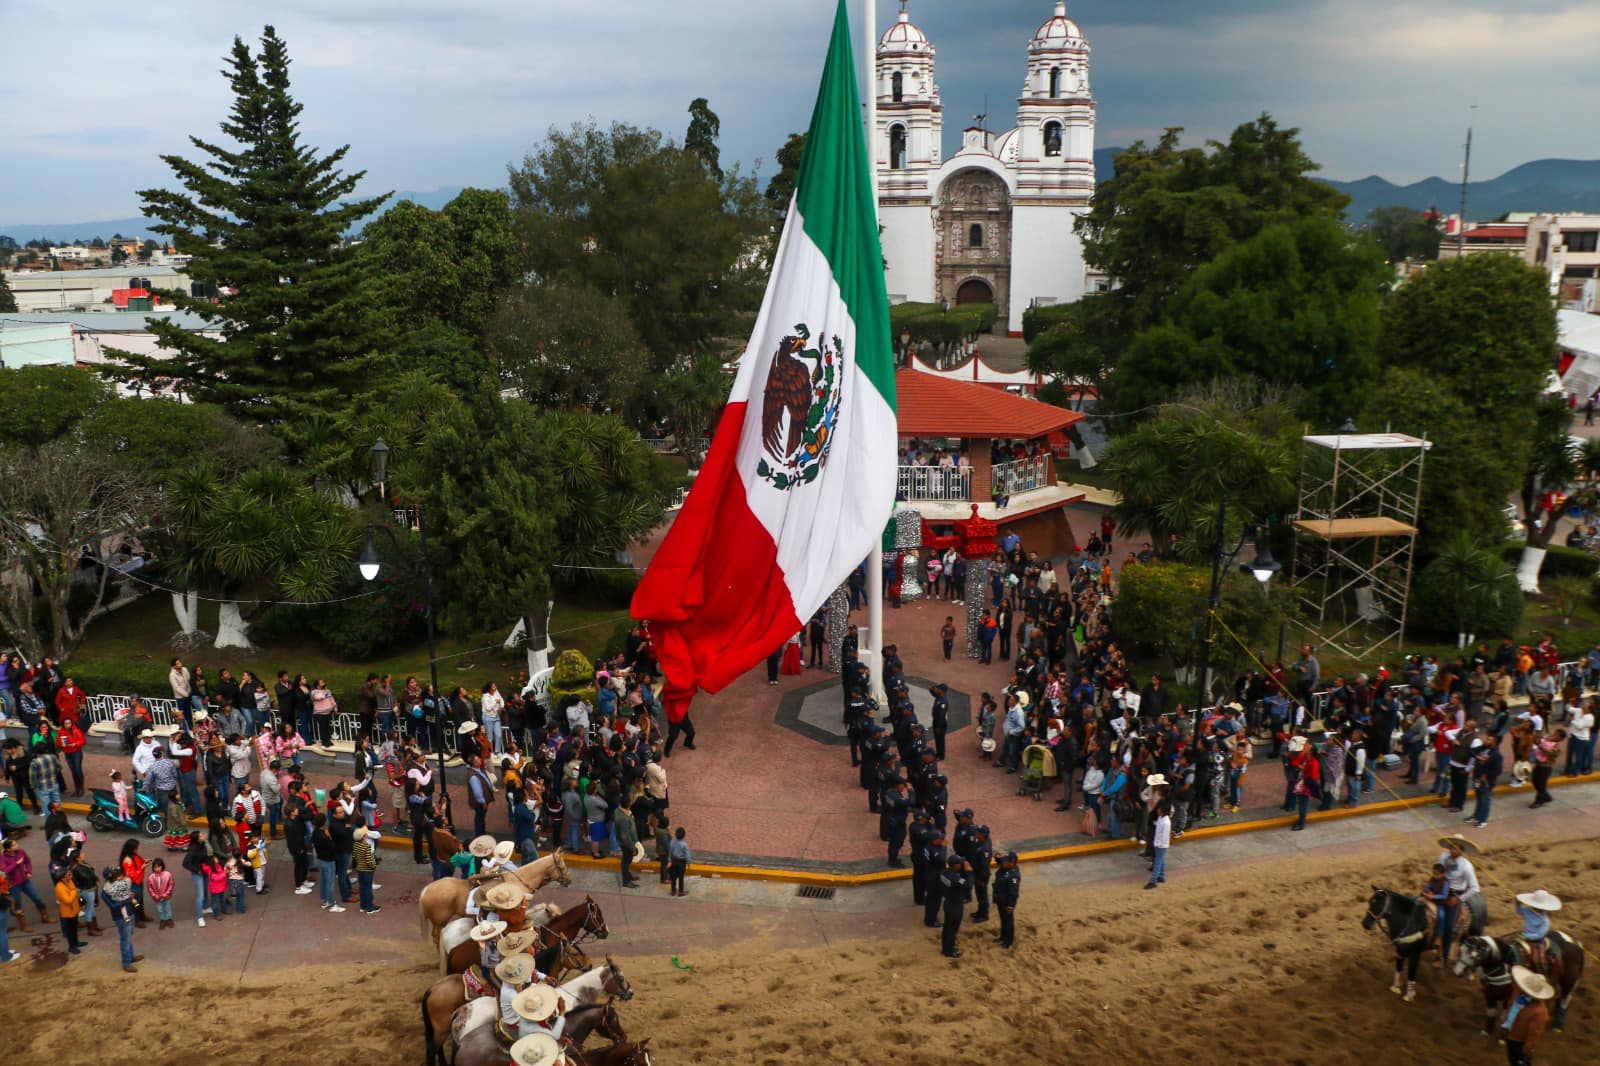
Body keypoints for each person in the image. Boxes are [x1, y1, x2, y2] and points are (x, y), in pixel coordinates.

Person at [1503, 964, 1556, 1066]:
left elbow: (1533, 1037)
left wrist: (1525, 1053)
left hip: (1519, 1044)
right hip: (1511, 1038)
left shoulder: (1540, 1013)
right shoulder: (1518, 995)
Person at [101, 865, 143, 972]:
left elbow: (131, 891)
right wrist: (124, 901)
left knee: (129, 935)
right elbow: (113, 905)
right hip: (121, 917)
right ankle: (126, 963)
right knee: (125, 938)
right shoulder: (106, 891)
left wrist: (131, 895)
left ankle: (131, 956)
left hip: (130, 912)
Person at [938, 854, 970, 959]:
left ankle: (945, 947)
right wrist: (969, 872)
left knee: (947, 927)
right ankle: (949, 951)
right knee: (952, 929)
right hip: (955, 906)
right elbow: (969, 885)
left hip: (947, 902)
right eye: (959, 863)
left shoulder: (944, 872)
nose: (961, 865)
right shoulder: (956, 878)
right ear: (955, 865)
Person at [992, 850, 1020, 949]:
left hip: (1006, 901)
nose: (1003, 862)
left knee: (1008, 921)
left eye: (1005, 860)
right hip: (1000, 898)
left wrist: (1011, 905)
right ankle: (1003, 937)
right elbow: (999, 860)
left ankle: (1008, 941)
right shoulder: (1005, 868)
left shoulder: (1014, 876)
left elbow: (1014, 893)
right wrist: (997, 856)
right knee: (1003, 919)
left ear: (1011, 862)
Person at [53, 866, 83, 955]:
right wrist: (74, 891)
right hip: (68, 912)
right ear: (62, 877)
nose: (70, 875)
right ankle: (72, 946)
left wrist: (73, 892)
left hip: (74, 909)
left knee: (74, 927)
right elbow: (68, 900)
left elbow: (73, 892)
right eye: (67, 874)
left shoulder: (69, 881)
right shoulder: (59, 887)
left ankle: (76, 942)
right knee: (70, 930)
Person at [1144, 799, 1172, 889]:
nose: (1157, 810)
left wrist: (1158, 845)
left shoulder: (1166, 822)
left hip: (1161, 845)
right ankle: (1162, 876)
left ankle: (1153, 881)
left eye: (1159, 809)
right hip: (1158, 843)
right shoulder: (1161, 818)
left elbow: (1164, 836)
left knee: (1157, 862)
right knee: (1161, 860)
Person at [147, 858, 174, 929]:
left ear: (162, 866)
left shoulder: (168, 874)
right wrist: (154, 895)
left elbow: (171, 884)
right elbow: (150, 888)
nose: (157, 869)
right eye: (155, 867)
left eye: (159, 866)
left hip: (166, 896)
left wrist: (166, 894)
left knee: (167, 907)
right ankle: (163, 920)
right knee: (160, 909)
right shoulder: (151, 877)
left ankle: (168, 919)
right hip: (157, 897)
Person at [667, 825, 690, 896]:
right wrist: (688, 863)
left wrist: (670, 860)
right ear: (684, 835)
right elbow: (687, 855)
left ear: (675, 834)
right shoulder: (684, 845)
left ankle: (673, 891)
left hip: (674, 861)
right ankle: (680, 891)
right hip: (681, 862)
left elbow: (670, 852)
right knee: (681, 877)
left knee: (673, 876)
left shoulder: (672, 842)